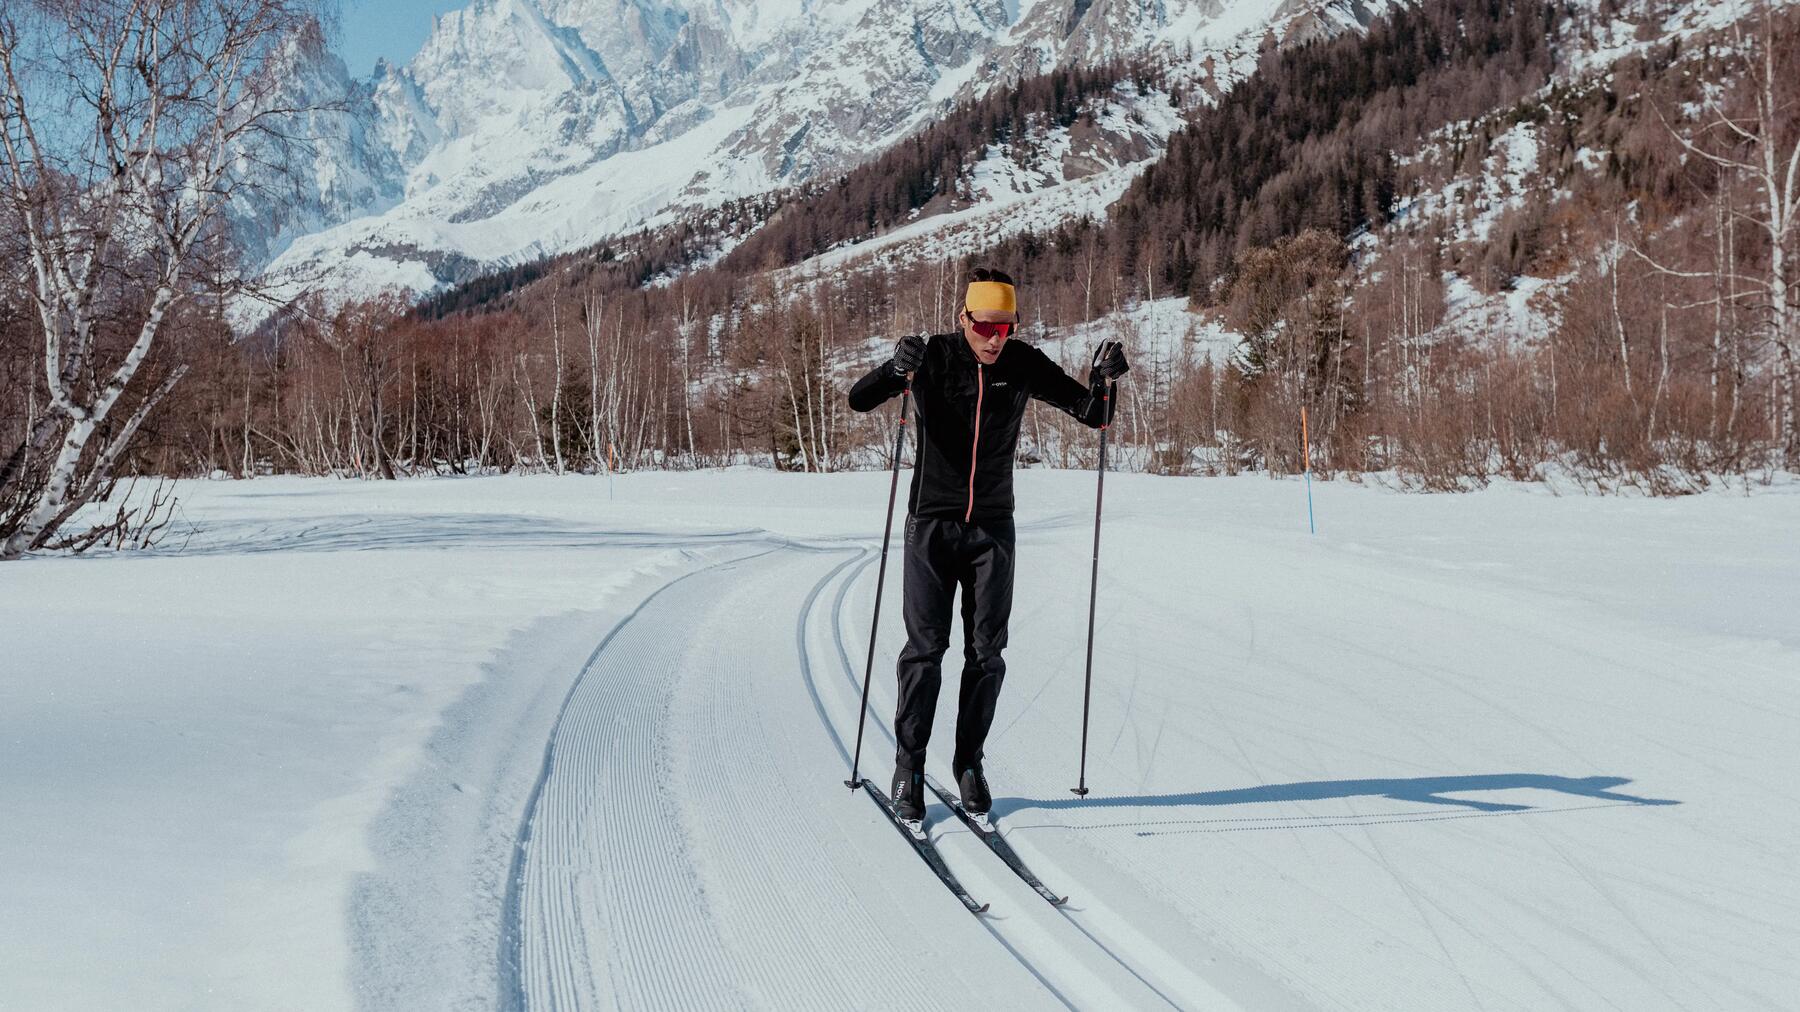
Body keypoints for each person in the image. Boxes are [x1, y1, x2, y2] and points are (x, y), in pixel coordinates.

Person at [847, 267, 1129, 822]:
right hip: (931, 524)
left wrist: (1105, 379)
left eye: (1006, 326)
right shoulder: (932, 356)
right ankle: (909, 765)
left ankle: (968, 761)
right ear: (965, 319)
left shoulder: (1022, 362)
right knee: (925, 652)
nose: (996, 337)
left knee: (987, 654)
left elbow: (1093, 415)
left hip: (993, 528)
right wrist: (893, 368)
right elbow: (860, 400)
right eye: (986, 326)